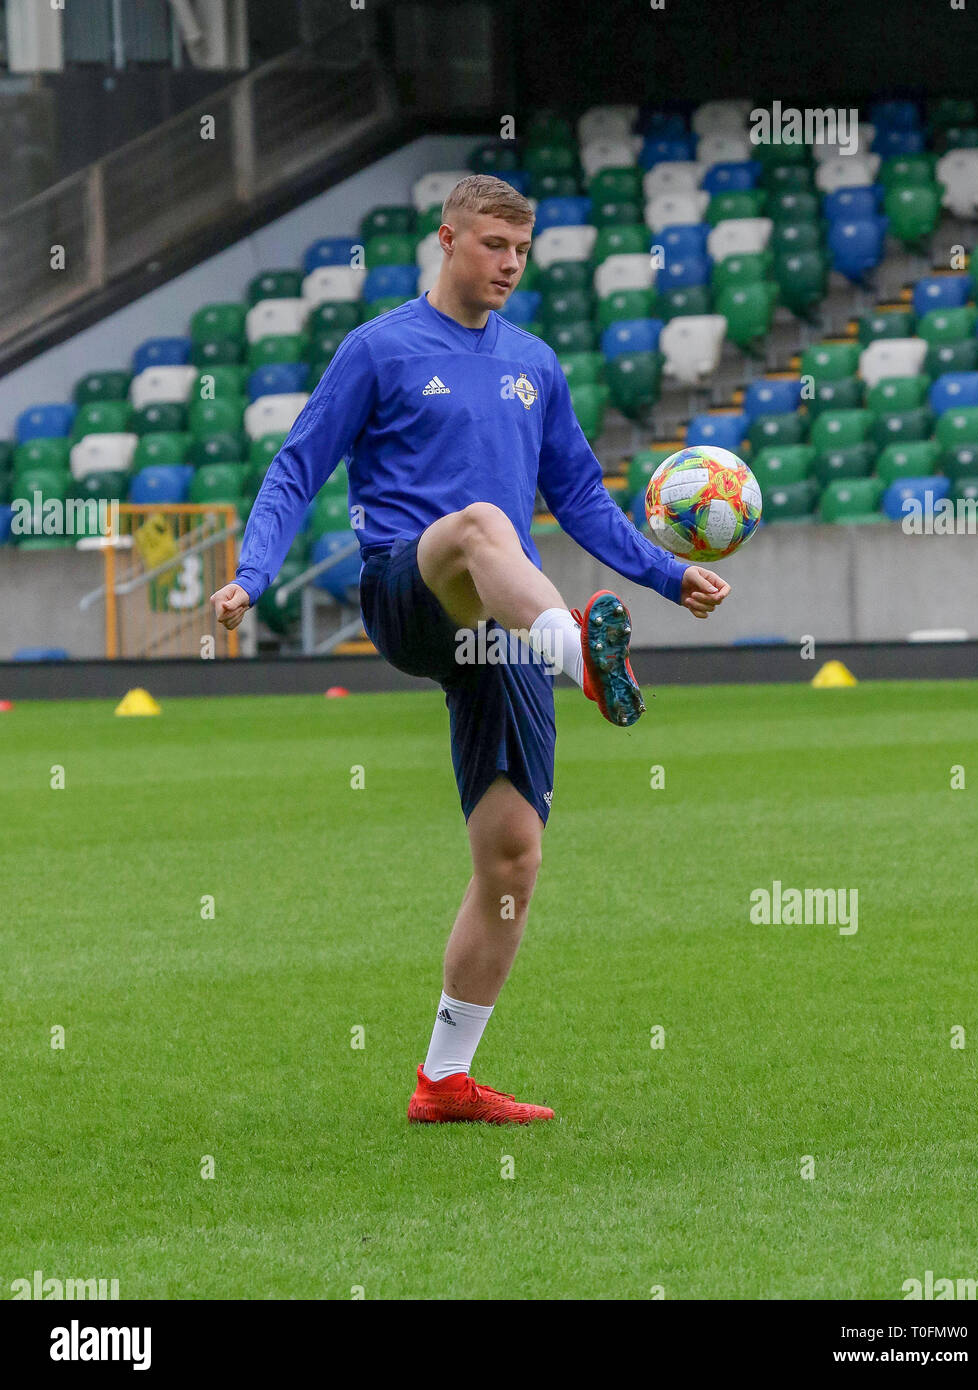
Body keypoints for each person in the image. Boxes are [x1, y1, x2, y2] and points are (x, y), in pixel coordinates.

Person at [210, 174, 730, 1125]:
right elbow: (299, 464)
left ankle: (444, 1081)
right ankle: (584, 660)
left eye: (522, 252)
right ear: (447, 240)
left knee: (512, 859)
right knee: (484, 523)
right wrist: (252, 571)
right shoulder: (379, 349)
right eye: (494, 246)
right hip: (413, 590)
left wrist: (664, 575)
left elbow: (579, 499)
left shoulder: (534, 361)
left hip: (509, 627)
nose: (509, 266)